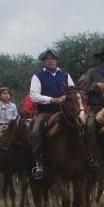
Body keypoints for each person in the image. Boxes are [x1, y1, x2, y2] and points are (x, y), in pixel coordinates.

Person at [29, 49, 75, 179]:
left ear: (57, 60)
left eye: (53, 58)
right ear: (43, 61)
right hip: (46, 112)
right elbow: (34, 96)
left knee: (82, 124)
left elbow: (73, 90)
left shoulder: (65, 75)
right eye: (48, 59)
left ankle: (88, 159)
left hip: (64, 111)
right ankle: (38, 163)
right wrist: (52, 99)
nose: (51, 60)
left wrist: (66, 98)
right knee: (36, 132)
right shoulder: (37, 76)